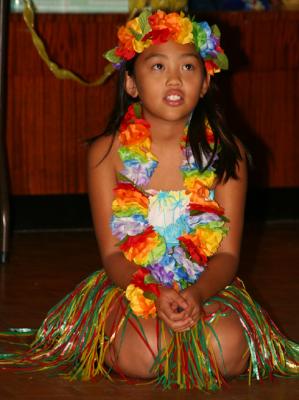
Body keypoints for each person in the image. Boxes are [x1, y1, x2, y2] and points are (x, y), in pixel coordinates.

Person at [0, 9, 298, 391]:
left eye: (188, 67)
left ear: (206, 82)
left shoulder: (227, 154)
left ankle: (189, 333)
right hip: (132, 284)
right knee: (147, 352)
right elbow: (112, 256)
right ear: (131, 84)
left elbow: (226, 255)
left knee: (228, 348)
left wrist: (195, 294)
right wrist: (154, 293)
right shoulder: (106, 155)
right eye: (157, 66)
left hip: (205, 284)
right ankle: (128, 338)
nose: (175, 78)